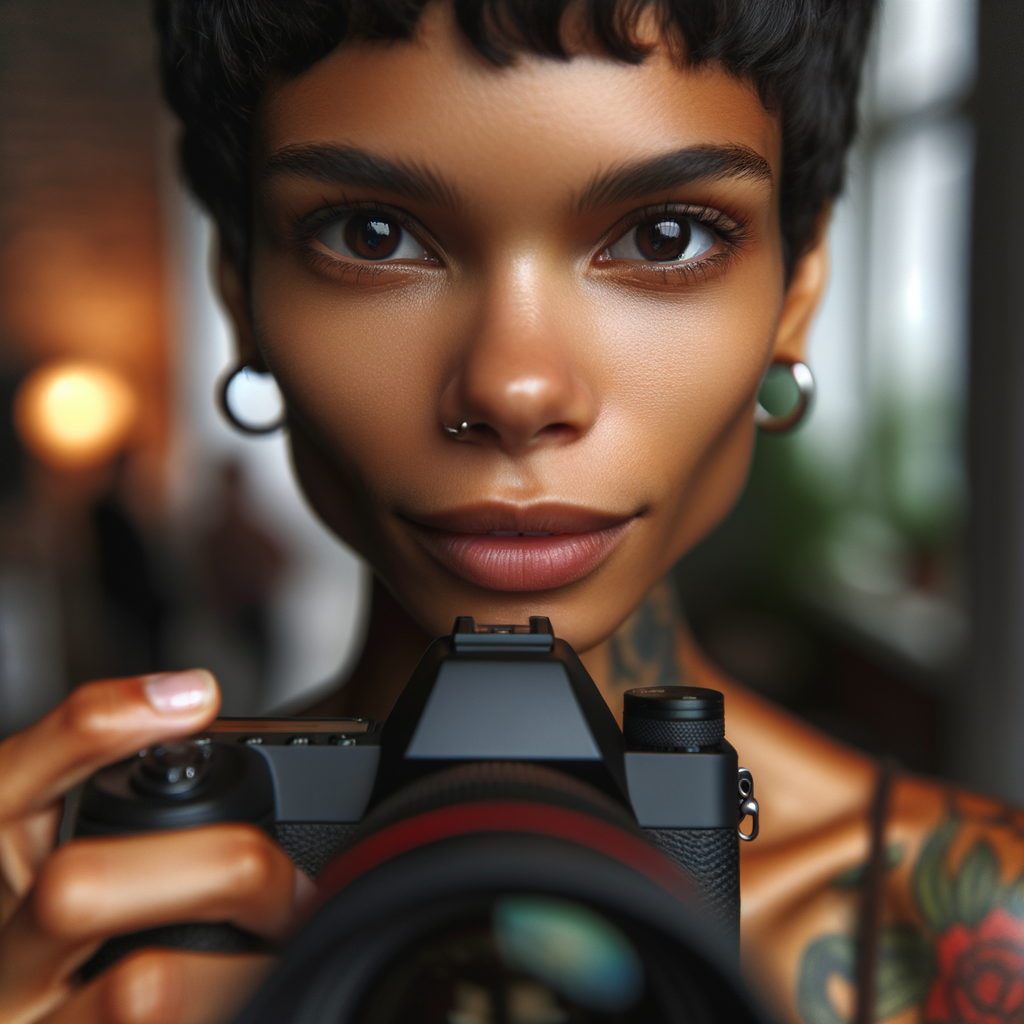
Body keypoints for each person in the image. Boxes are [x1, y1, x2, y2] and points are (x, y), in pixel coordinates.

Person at [3, 3, 1019, 1023]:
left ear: (795, 287)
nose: (514, 387)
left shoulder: (978, 933)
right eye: (373, 234)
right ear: (242, 293)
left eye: (665, 237)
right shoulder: (80, 910)